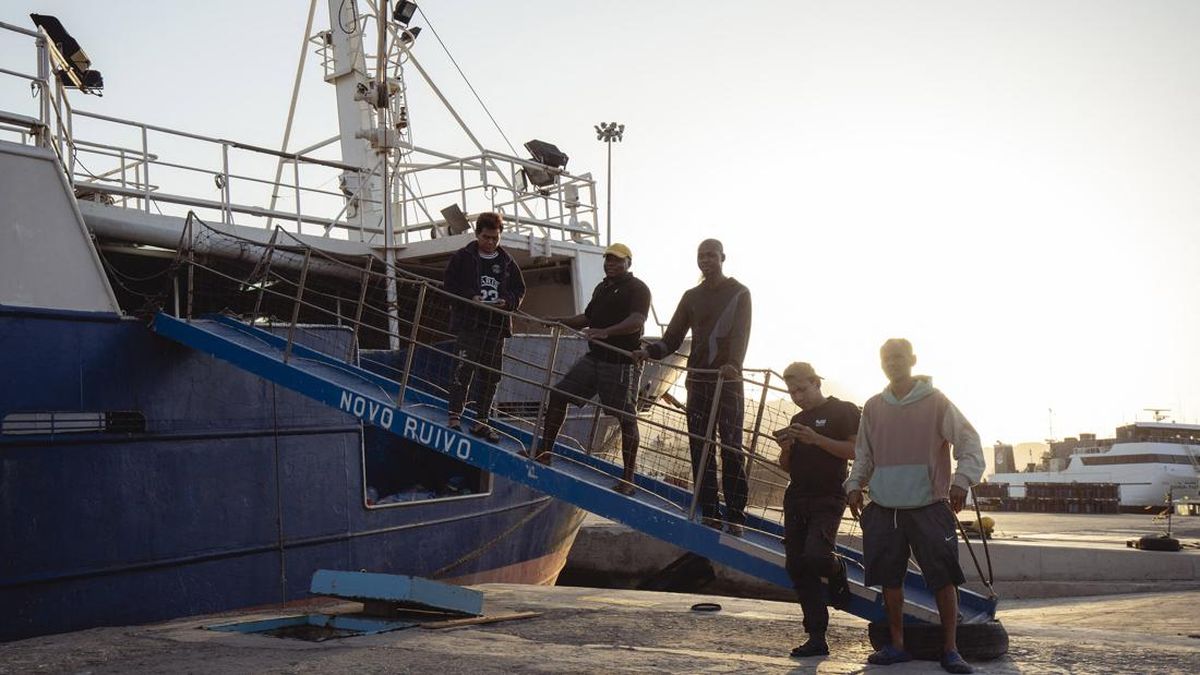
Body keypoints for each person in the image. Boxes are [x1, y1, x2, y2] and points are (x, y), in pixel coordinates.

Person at [844, 338, 986, 674]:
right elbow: (863, 455)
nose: (893, 363)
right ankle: (896, 645)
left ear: (912, 360)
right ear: (881, 363)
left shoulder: (936, 402)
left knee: (942, 578)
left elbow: (969, 442)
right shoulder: (874, 406)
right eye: (887, 358)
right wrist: (853, 486)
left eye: (899, 357)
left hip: (929, 504)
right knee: (890, 579)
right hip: (884, 506)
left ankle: (951, 649)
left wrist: (961, 481)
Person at [633, 239, 752, 534]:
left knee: (731, 448)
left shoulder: (740, 292)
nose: (706, 260)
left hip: (728, 382)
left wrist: (734, 364)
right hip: (697, 381)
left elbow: (741, 334)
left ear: (723, 257)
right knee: (701, 447)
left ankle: (735, 515)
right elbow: (673, 338)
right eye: (701, 256)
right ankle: (710, 510)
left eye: (711, 255)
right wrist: (649, 352)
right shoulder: (691, 296)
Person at [534, 243, 650, 492]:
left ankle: (628, 478)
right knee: (558, 394)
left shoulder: (638, 289)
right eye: (608, 259)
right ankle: (545, 452)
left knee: (626, 419)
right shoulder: (602, 288)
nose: (611, 264)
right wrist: (557, 321)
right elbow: (586, 318)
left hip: (620, 363)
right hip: (594, 358)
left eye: (618, 260)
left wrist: (605, 332)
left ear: (629, 262)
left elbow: (637, 321)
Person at [774, 362, 858, 658]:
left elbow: (856, 452)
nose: (797, 396)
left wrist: (817, 439)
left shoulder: (843, 410)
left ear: (816, 382)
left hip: (828, 495)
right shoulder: (798, 418)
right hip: (796, 495)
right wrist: (786, 449)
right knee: (796, 565)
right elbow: (786, 467)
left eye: (801, 389)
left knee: (817, 556)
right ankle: (816, 636)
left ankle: (837, 568)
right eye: (792, 391)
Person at [442, 212, 526, 442]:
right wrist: (470, 296)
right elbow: (449, 285)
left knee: (491, 376)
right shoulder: (463, 257)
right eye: (486, 237)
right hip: (469, 324)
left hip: (495, 326)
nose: (490, 242)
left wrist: (507, 302)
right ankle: (454, 417)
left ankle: (482, 421)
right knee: (462, 370)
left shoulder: (507, 261)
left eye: (495, 238)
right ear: (478, 234)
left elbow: (519, 290)